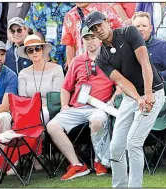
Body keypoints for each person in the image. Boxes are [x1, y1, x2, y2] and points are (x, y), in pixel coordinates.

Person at [85, 11, 165, 187]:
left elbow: (145, 63)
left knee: (134, 143)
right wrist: (138, 98)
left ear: (107, 22)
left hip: (154, 92)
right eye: (93, 29)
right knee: (116, 148)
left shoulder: (130, 32)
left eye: (99, 25)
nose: (98, 30)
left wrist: (148, 94)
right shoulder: (101, 58)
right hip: (131, 97)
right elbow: (121, 81)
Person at [47, 26, 119, 180]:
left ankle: (100, 161)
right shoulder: (76, 61)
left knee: (97, 120)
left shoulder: (110, 59)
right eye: (86, 38)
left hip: (99, 106)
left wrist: (112, 101)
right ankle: (77, 165)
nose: (90, 41)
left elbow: (120, 87)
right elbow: (66, 88)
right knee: (52, 126)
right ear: (82, 41)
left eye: (92, 37)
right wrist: (65, 105)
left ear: (99, 39)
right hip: (77, 108)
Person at [17, 34, 64, 124]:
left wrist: (42, 107)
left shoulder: (57, 69)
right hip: (30, 109)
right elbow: (23, 98)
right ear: (27, 54)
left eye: (37, 48)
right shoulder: (23, 73)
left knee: (44, 113)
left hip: (51, 109)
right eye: (30, 50)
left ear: (42, 50)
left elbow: (56, 96)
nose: (34, 52)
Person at [61, 3, 124, 67]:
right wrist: (70, 67)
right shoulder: (70, 15)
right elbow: (70, 44)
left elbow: (120, 33)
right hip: (83, 65)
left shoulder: (105, 8)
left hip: (108, 61)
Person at [25, 3, 75, 68]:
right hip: (47, 59)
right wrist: (46, 57)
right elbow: (36, 30)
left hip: (72, 57)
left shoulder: (75, 4)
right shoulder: (37, 4)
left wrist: (71, 57)